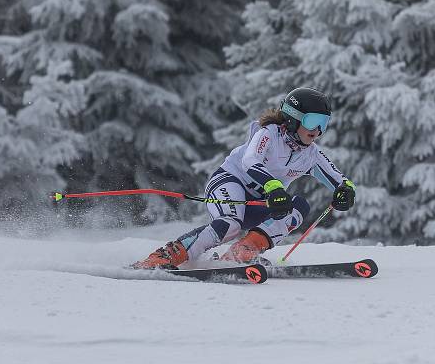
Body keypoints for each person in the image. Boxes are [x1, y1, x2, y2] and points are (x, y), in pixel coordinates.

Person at [131, 87, 356, 269]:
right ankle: (166, 256)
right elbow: (251, 161)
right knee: (230, 224)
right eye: (312, 121)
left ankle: (242, 252)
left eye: (324, 123)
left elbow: (339, 179)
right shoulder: (268, 134)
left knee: (299, 207)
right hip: (229, 182)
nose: (317, 130)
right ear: (293, 118)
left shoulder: (310, 154)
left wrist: (345, 190)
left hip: (258, 202)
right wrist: (274, 187)